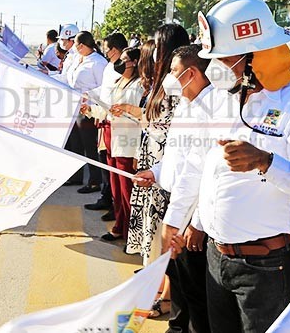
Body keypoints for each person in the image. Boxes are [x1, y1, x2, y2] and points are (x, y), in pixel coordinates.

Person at [188, 0, 290, 332]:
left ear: (256, 56)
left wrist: (266, 162)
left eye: (225, 58)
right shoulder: (226, 97)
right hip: (216, 257)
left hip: (266, 269)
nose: (217, 67)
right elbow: (214, 168)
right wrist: (198, 220)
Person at [133, 44, 231, 331]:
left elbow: (199, 173)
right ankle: (177, 327)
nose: (169, 77)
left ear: (192, 73)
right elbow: (177, 157)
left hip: (192, 210)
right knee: (178, 279)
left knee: (195, 289)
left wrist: (186, 222)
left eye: (174, 71)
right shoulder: (188, 104)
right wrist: (155, 172)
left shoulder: (212, 109)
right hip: (177, 201)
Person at [119, 24, 190, 318]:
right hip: (155, 165)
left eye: (158, 46)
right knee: (156, 231)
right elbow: (153, 123)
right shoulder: (162, 83)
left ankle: (168, 296)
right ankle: (157, 284)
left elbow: (174, 130)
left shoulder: (179, 84)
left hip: (168, 169)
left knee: (168, 232)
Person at [82, 46, 143, 241]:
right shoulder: (118, 82)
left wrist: (136, 155)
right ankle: (120, 225)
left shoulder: (139, 85)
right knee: (117, 189)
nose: (119, 62)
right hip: (113, 141)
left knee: (127, 191)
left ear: (134, 63)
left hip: (128, 143)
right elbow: (110, 110)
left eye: (124, 59)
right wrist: (91, 111)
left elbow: (139, 117)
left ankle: (131, 233)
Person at [55, 31, 107, 189]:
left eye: (76, 45)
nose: (74, 48)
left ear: (83, 45)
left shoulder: (98, 62)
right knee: (76, 145)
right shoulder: (78, 59)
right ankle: (76, 177)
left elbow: (104, 87)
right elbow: (66, 78)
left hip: (89, 110)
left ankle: (95, 181)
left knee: (90, 147)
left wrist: (90, 97)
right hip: (74, 107)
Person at [78, 33, 128, 196]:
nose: (104, 53)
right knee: (106, 160)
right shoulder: (109, 66)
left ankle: (114, 203)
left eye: (106, 50)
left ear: (114, 50)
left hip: (119, 124)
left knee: (118, 167)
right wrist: (89, 95)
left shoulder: (125, 69)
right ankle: (108, 197)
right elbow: (104, 90)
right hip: (104, 118)